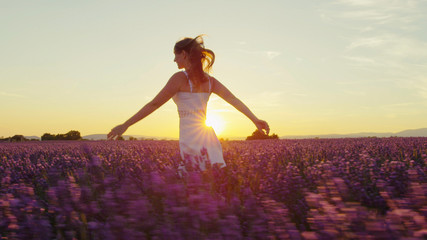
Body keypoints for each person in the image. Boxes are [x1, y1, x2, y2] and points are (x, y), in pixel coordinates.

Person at [108, 35, 269, 171]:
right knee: (211, 183)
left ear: (184, 54)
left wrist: (126, 124)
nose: (174, 59)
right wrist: (254, 119)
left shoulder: (179, 78)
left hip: (191, 137)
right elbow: (233, 100)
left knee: (191, 182)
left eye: (176, 55)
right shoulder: (210, 81)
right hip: (208, 138)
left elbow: (154, 104)